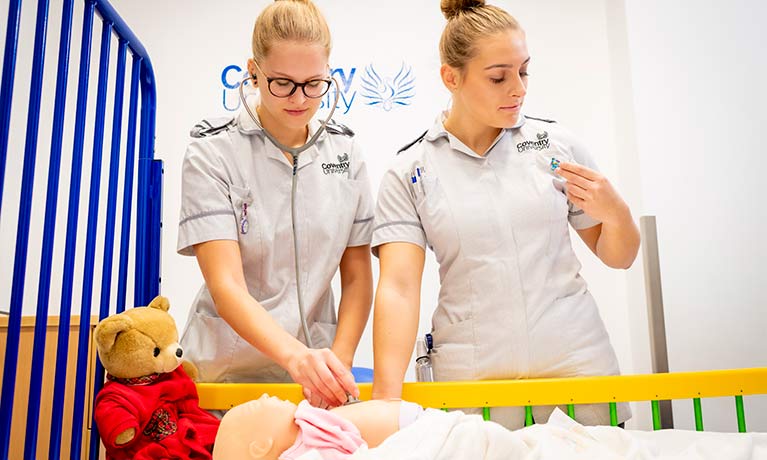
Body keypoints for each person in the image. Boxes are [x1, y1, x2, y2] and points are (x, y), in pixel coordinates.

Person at [370, 0, 640, 428]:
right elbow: (399, 288)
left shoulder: (556, 146)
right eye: (499, 77)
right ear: (450, 77)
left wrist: (618, 211)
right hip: (475, 383)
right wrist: (384, 403)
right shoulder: (410, 171)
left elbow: (619, 256)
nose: (519, 88)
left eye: (524, 71)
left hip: (577, 371)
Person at [177, 0, 374, 409]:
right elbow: (226, 284)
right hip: (227, 373)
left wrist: (339, 360)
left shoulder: (345, 151)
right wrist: (296, 358)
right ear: (253, 72)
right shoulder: (213, 152)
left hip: (314, 378)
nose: (299, 98)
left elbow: (356, 277)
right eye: (283, 82)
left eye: (314, 83)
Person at [212, 394, 419, 459]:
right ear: (261, 446)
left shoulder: (305, 429)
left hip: (413, 426)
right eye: (256, 405)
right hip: (411, 437)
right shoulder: (306, 454)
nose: (265, 396)